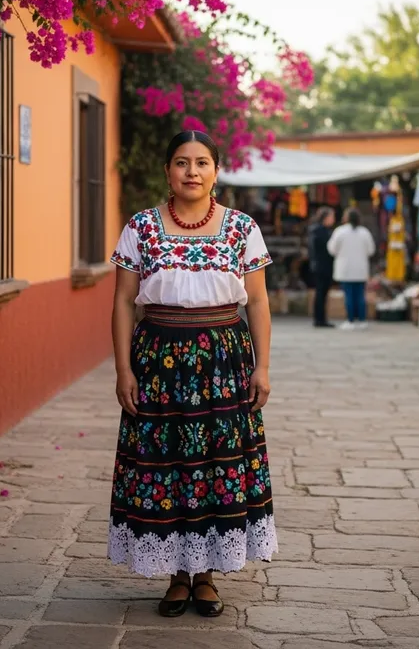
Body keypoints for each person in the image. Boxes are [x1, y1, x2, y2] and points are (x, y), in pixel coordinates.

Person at [109, 130, 278, 619]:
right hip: (158, 362)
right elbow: (122, 301)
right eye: (181, 162)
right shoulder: (141, 228)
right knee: (167, 465)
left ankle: (205, 575)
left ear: (216, 170)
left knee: (213, 463)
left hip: (224, 361)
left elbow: (260, 301)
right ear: (167, 171)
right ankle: (176, 576)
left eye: (202, 162)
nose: (191, 171)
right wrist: (124, 369)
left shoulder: (241, 228)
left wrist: (262, 366)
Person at [327, 207, 375, 330]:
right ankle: (362, 320)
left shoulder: (340, 232)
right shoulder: (365, 232)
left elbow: (332, 249)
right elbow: (371, 250)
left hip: (345, 269)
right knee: (360, 296)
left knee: (349, 296)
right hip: (360, 269)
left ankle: (350, 320)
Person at [308, 206, 336, 327]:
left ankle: (321, 318)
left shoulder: (320, 230)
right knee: (320, 292)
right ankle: (319, 319)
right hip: (321, 266)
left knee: (322, 293)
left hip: (322, 265)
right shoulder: (319, 231)